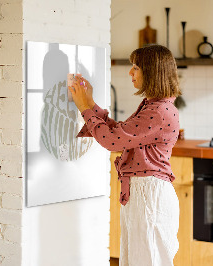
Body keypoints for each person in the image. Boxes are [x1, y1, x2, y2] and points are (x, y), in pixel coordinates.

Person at [68, 44, 181, 266]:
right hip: (143, 194)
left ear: (152, 71)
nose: (130, 72)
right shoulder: (154, 106)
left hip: (149, 196)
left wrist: (84, 108)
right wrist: (90, 103)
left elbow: (112, 141)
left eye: (136, 67)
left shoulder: (158, 111)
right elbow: (120, 133)